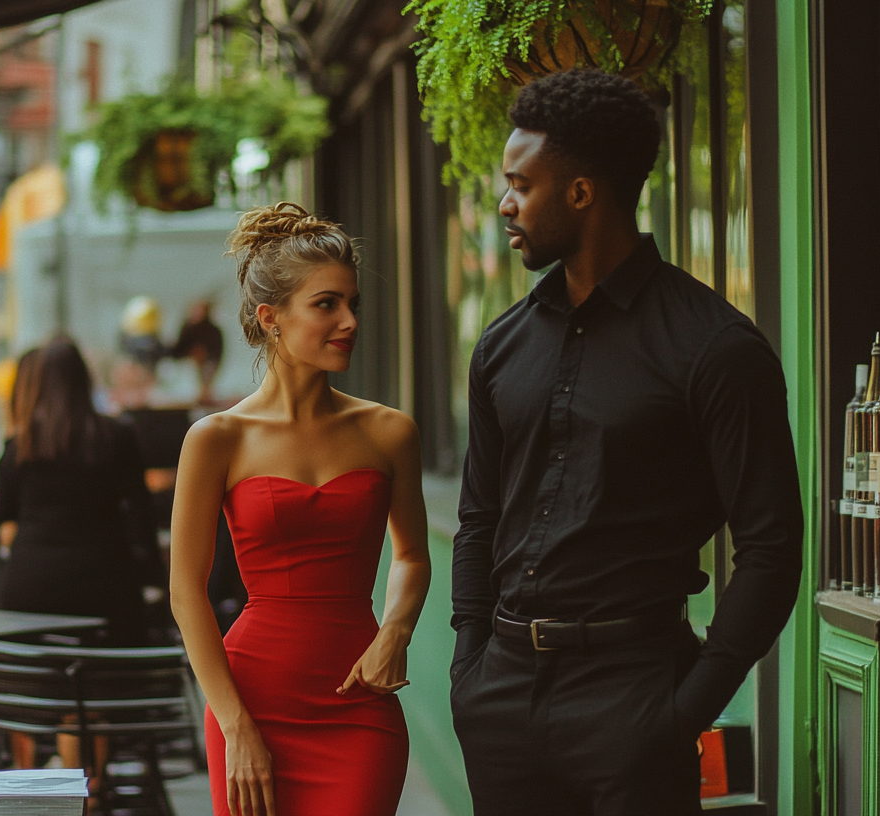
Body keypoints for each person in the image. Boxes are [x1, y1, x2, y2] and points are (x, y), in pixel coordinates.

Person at [450, 69, 803, 815]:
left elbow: (771, 549)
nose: (504, 203)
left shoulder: (716, 349)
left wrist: (683, 714)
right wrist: (468, 669)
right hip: (501, 695)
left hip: (635, 697)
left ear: (582, 192)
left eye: (521, 183)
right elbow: (479, 518)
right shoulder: (501, 347)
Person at [170, 202, 432, 816]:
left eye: (352, 304)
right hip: (250, 703)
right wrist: (236, 728)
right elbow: (187, 592)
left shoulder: (390, 432)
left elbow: (414, 556)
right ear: (272, 319)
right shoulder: (216, 438)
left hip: (358, 706)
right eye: (326, 304)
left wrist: (396, 629)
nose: (348, 321)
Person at [0, 336, 164, 645]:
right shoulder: (118, 437)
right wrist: (154, 580)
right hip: (105, 586)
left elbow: (0, 521)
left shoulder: (20, 446)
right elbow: (142, 516)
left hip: (29, 589)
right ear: (85, 380)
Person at [168, 299, 225, 404]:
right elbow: (177, 350)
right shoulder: (188, 328)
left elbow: (216, 354)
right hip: (189, 364)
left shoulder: (212, 331)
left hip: (206, 363)